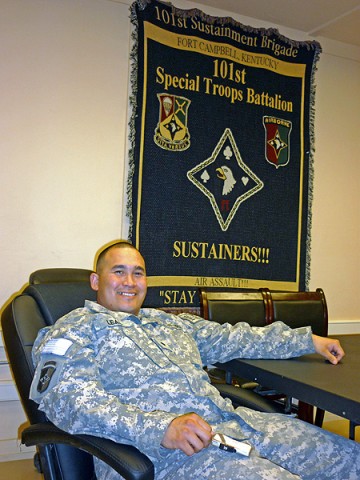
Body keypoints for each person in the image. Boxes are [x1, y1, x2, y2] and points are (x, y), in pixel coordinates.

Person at [30, 241, 360, 479]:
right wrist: (162, 427)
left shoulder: (170, 322)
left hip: (235, 427)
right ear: (95, 281)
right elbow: (70, 404)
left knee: (351, 459)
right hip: (161, 454)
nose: (130, 283)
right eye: (119, 272)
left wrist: (307, 340)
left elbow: (238, 337)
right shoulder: (75, 328)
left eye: (138, 273)